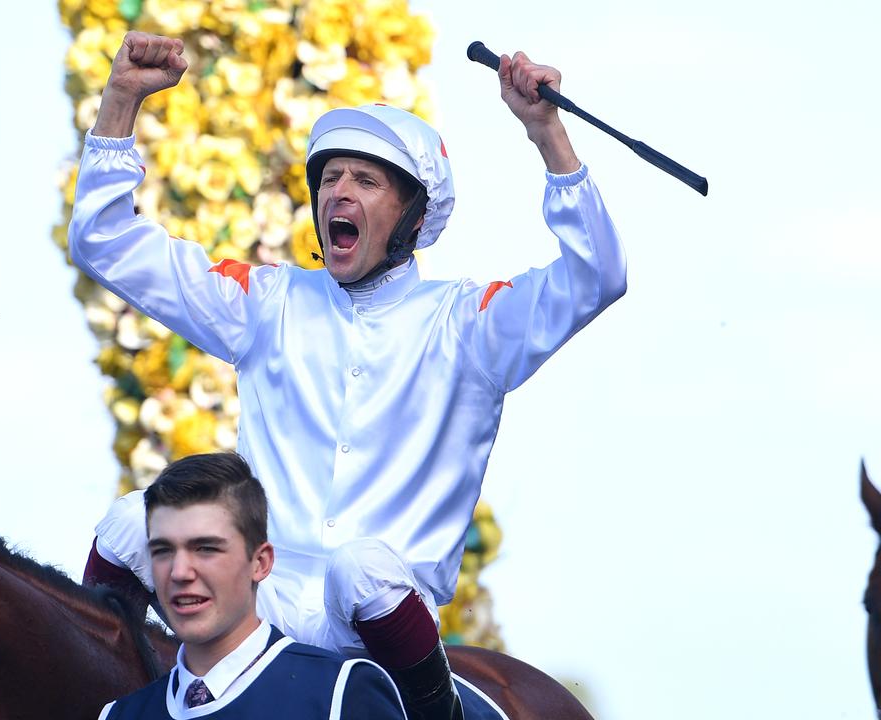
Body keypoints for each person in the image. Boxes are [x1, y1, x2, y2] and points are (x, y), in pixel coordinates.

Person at [72, 31, 627, 720]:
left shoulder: (470, 324)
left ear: (414, 215)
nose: (339, 190)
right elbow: (105, 242)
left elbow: (599, 276)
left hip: (373, 613)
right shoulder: (267, 302)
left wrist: (547, 134)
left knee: (358, 567)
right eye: (330, 177)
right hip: (260, 592)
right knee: (131, 522)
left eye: (365, 180)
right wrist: (121, 101)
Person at [98, 453, 406, 720]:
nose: (179, 573)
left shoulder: (343, 694)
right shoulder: (118, 715)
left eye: (206, 548)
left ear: (260, 563)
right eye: (163, 550)